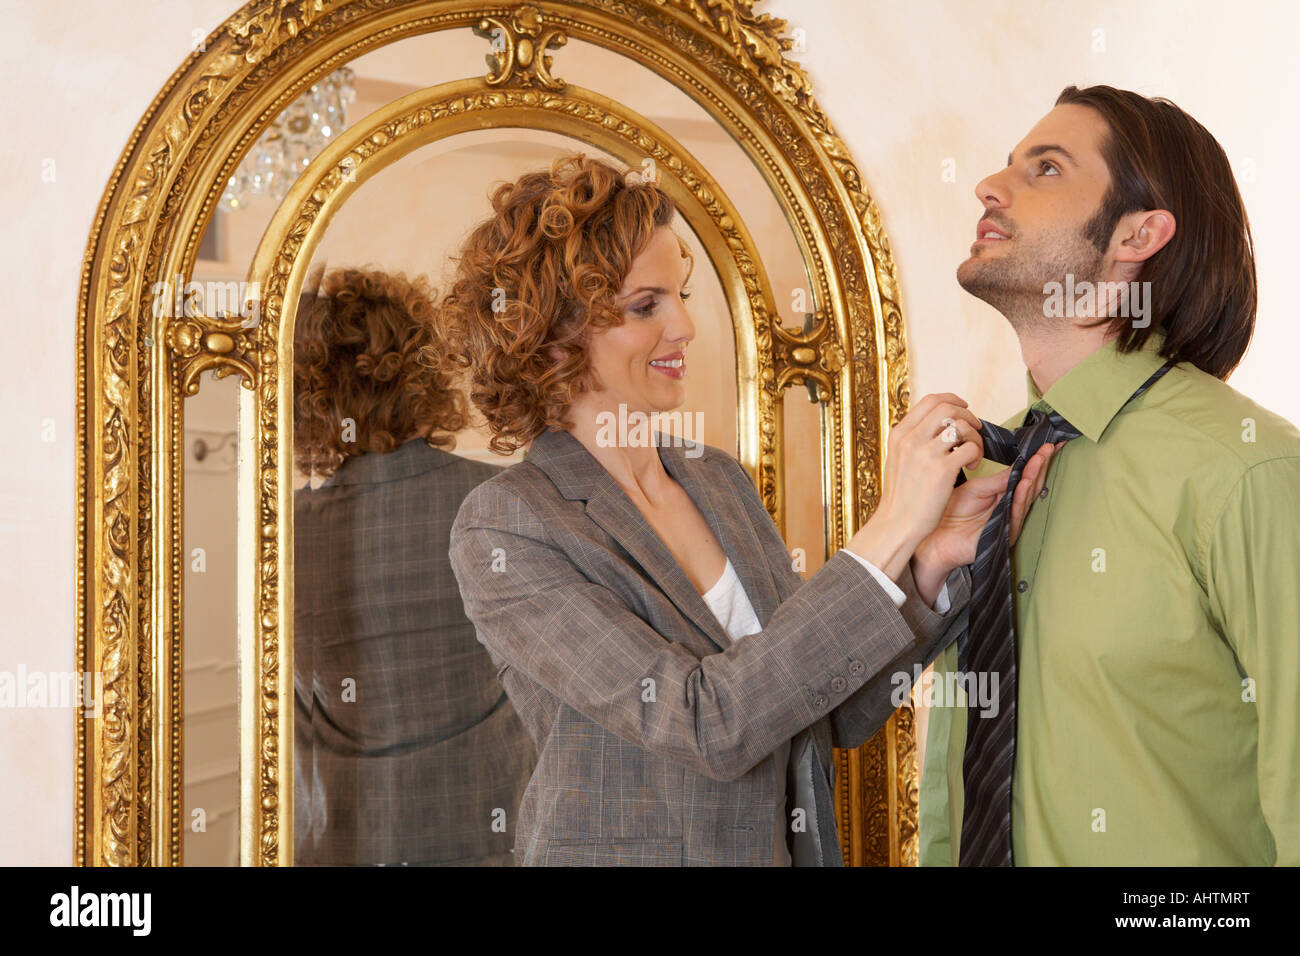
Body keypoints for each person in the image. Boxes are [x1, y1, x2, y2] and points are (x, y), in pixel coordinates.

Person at [438, 153, 1056, 866]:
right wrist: (892, 526)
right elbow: (707, 723)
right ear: (551, 338)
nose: (685, 327)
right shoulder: (508, 526)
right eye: (645, 306)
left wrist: (928, 563)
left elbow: (822, 712)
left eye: (680, 295)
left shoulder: (717, 480)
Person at [920, 85, 1300, 866]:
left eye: (1046, 168)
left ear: (1138, 233)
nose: (989, 186)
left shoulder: (1248, 473)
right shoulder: (979, 482)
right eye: (1008, 163)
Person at [292, 266, 535, 866]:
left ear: (310, 397)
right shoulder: (505, 500)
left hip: (345, 838)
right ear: (427, 374)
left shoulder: (285, 529)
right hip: (486, 829)